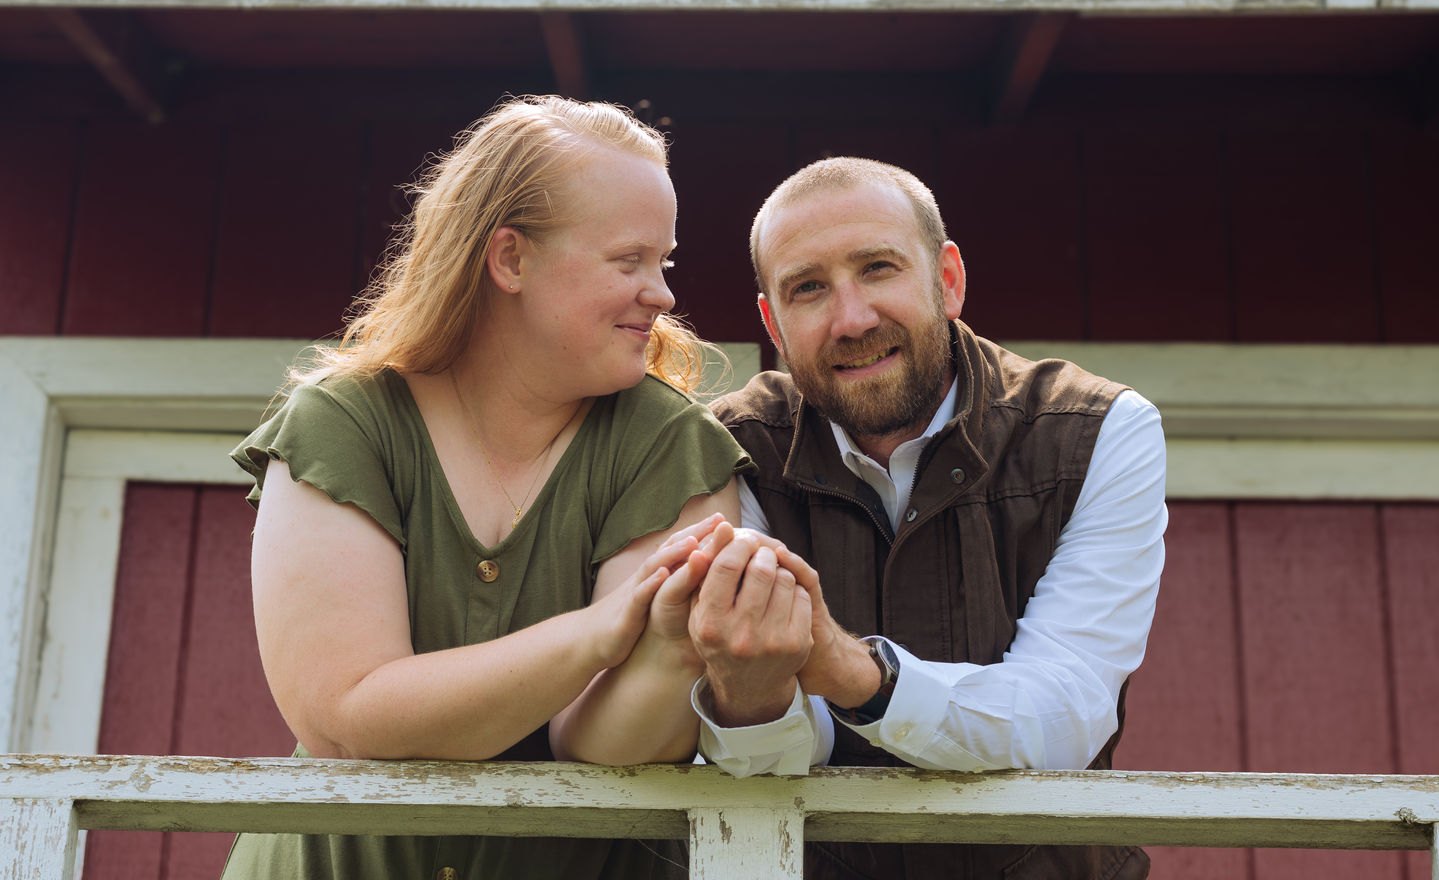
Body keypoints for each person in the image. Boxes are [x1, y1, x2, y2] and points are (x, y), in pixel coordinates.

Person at [220, 96, 749, 880]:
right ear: (509, 259)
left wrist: (670, 652)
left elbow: (602, 745)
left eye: (663, 263)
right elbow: (349, 716)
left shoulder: (672, 445)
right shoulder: (344, 423)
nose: (662, 294)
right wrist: (600, 633)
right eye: (628, 260)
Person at [686, 157, 1167, 879]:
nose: (851, 320)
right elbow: (767, 760)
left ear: (947, 280)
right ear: (771, 322)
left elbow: (1061, 715)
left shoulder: (1096, 430)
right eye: (807, 288)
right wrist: (751, 697)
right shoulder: (726, 447)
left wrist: (853, 672)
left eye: (877, 268)